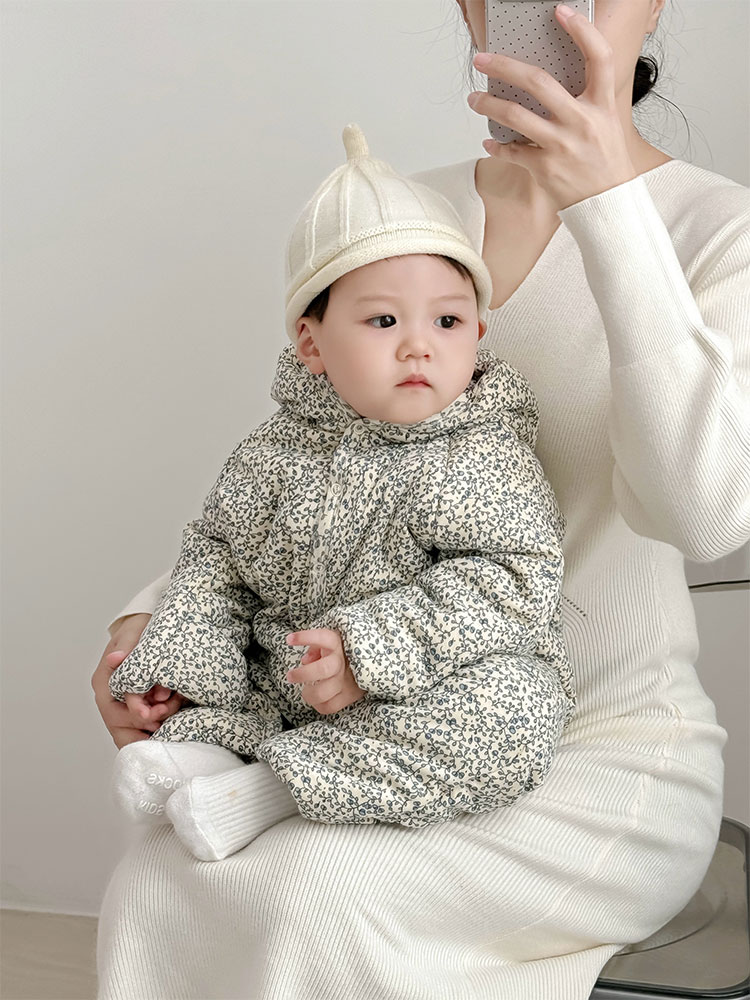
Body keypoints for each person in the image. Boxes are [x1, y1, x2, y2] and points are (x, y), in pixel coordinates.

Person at [93, 2, 750, 997]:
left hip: (602, 755)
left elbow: (699, 514)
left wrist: (610, 200)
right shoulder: (399, 214)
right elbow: (308, 467)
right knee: (162, 877)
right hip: (356, 715)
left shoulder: (717, 230)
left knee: (313, 896)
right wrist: (152, 626)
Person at [107, 124, 574, 862]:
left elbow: (514, 579)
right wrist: (178, 664)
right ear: (312, 343)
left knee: (514, 716)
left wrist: (367, 649)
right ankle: (204, 752)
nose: (419, 343)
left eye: (448, 320)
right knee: (206, 672)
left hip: (425, 682)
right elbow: (216, 561)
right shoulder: (271, 454)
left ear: (478, 332)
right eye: (383, 320)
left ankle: (266, 789)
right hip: (288, 680)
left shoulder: (482, 452)